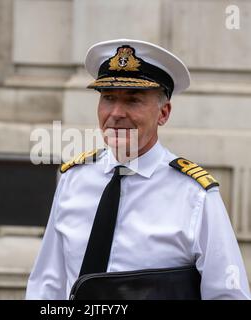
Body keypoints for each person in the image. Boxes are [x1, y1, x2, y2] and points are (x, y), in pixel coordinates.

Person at [26, 39, 251, 299]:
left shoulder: (195, 195)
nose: (116, 113)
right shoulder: (73, 180)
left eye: (133, 101)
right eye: (108, 98)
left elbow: (227, 294)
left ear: (163, 113)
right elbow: (47, 285)